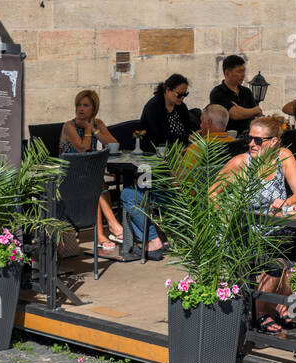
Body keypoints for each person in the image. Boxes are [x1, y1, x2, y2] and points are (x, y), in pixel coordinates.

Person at [215, 115, 296, 334]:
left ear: (273, 142)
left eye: (258, 140)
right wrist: (230, 217)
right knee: (277, 261)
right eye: (250, 138)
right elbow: (212, 194)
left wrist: (285, 202)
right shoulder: (241, 163)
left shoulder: (282, 157)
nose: (251, 144)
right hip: (248, 232)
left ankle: (282, 306)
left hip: (276, 226)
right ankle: (260, 311)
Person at [60, 89, 126, 253]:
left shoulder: (98, 123)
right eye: (78, 105)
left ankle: (105, 232)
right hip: (67, 176)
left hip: (87, 175)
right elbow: (82, 148)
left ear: (94, 109)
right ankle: (110, 227)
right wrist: (88, 130)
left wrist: (94, 129)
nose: (81, 109)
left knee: (97, 185)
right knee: (95, 185)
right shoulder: (69, 126)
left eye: (86, 105)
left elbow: (113, 143)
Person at [139, 74, 198, 150]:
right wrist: (187, 138)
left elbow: (188, 128)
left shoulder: (181, 106)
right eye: (179, 94)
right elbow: (160, 135)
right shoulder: (154, 107)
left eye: (185, 94)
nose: (182, 97)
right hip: (156, 151)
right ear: (167, 90)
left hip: (180, 148)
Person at [208, 55, 262, 137]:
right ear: (227, 73)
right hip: (227, 140)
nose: (243, 75)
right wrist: (255, 110)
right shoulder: (217, 93)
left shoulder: (246, 91)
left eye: (244, 71)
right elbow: (235, 115)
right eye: (239, 72)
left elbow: (259, 115)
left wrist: (243, 111)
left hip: (248, 137)